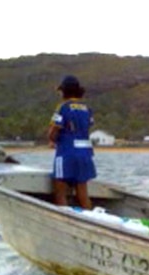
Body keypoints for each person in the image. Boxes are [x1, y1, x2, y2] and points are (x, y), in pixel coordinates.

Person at [48, 75, 96, 209]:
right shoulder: (87, 109)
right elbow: (87, 126)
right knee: (83, 193)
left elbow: (53, 132)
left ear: (64, 91)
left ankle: (65, 218)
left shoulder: (62, 107)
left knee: (60, 192)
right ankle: (90, 219)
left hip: (66, 154)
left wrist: (52, 140)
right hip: (85, 154)